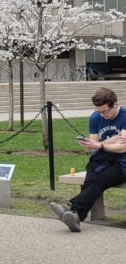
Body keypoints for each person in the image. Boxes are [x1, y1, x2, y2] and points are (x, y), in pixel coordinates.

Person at [50, 87, 126, 232]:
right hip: (101, 158)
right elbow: (94, 146)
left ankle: (73, 211)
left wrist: (100, 144)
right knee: (91, 179)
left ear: (115, 105)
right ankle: (75, 215)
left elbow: (123, 148)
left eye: (105, 111)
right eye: (99, 111)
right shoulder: (95, 117)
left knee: (99, 180)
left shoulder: (125, 115)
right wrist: (108, 142)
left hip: (122, 161)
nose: (102, 115)